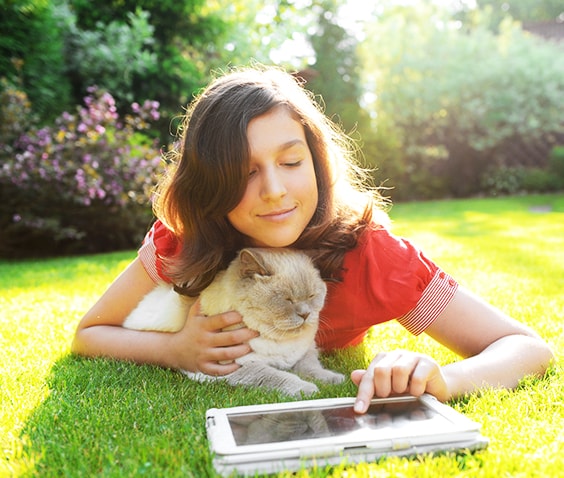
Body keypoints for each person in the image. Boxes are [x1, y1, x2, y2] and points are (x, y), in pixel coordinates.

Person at [72, 66, 554, 414]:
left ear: (318, 162)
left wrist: (443, 379)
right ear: (210, 185)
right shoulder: (186, 242)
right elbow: (90, 334)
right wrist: (175, 350)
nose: (275, 191)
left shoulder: (375, 257)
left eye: (290, 161)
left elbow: (525, 347)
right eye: (243, 172)